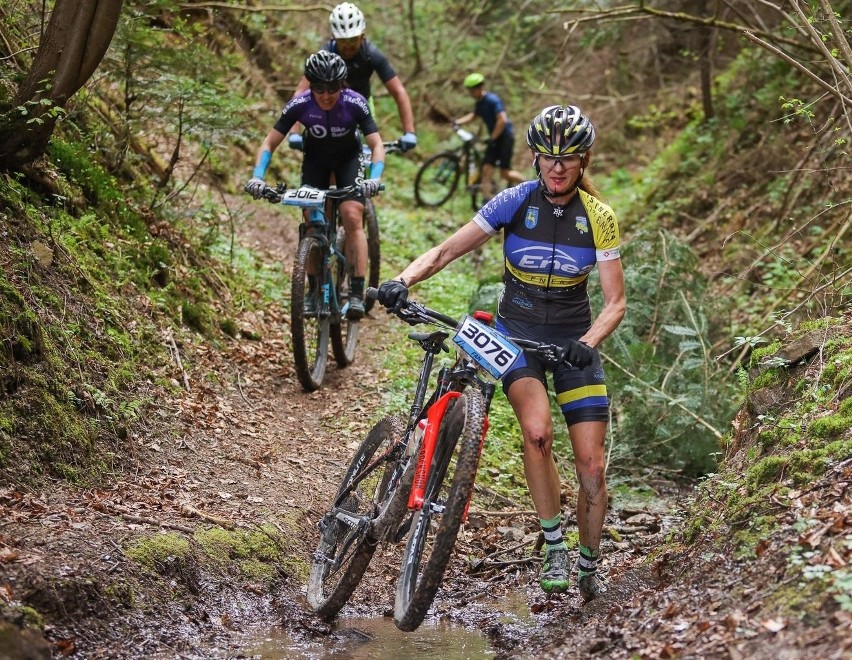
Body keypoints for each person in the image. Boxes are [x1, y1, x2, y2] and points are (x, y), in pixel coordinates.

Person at [376, 105, 626, 601]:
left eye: (569, 159)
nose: (557, 167)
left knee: (592, 467)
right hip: (518, 335)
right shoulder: (513, 201)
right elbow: (447, 250)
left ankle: (588, 563)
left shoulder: (599, 218)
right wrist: (402, 279)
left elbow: (615, 302)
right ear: (534, 157)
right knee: (537, 434)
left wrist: (588, 343)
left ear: (584, 161)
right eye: (548, 157)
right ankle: (554, 545)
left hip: (574, 341)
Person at [246, 50, 386, 320]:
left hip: (348, 161)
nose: (325, 94)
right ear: (310, 85)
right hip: (316, 162)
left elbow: (376, 143)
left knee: (352, 215)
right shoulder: (300, 105)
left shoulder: (354, 103)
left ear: (341, 84)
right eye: (318, 87)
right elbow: (269, 142)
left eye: (332, 87)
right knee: (312, 221)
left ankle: (356, 291)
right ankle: (311, 290)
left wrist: (375, 177)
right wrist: (257, 176)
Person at [288, 2, 416, 154]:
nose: (348, 45)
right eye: (343, 40)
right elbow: (300, 93)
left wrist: (410, 132)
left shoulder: (371, 55)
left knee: (369, 156)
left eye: (353, 39)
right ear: (333, 37)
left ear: (362, 37)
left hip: (362, 107)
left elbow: (399, 91)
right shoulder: (325, 54)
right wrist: (294, 132)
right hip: (329, 108)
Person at [452, 72, 526, 202]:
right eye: (469, 90)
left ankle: (530, 186)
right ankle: (486, 201)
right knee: (486, 169)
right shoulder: (479, 103)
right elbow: (474, 116)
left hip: (505, 138)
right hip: (494, 139)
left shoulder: (492, 100)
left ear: (479, 88)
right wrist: (458, 122)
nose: (470, 93)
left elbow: (502, 120)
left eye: (472, 90)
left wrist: (493, 137)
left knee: (505, 173)